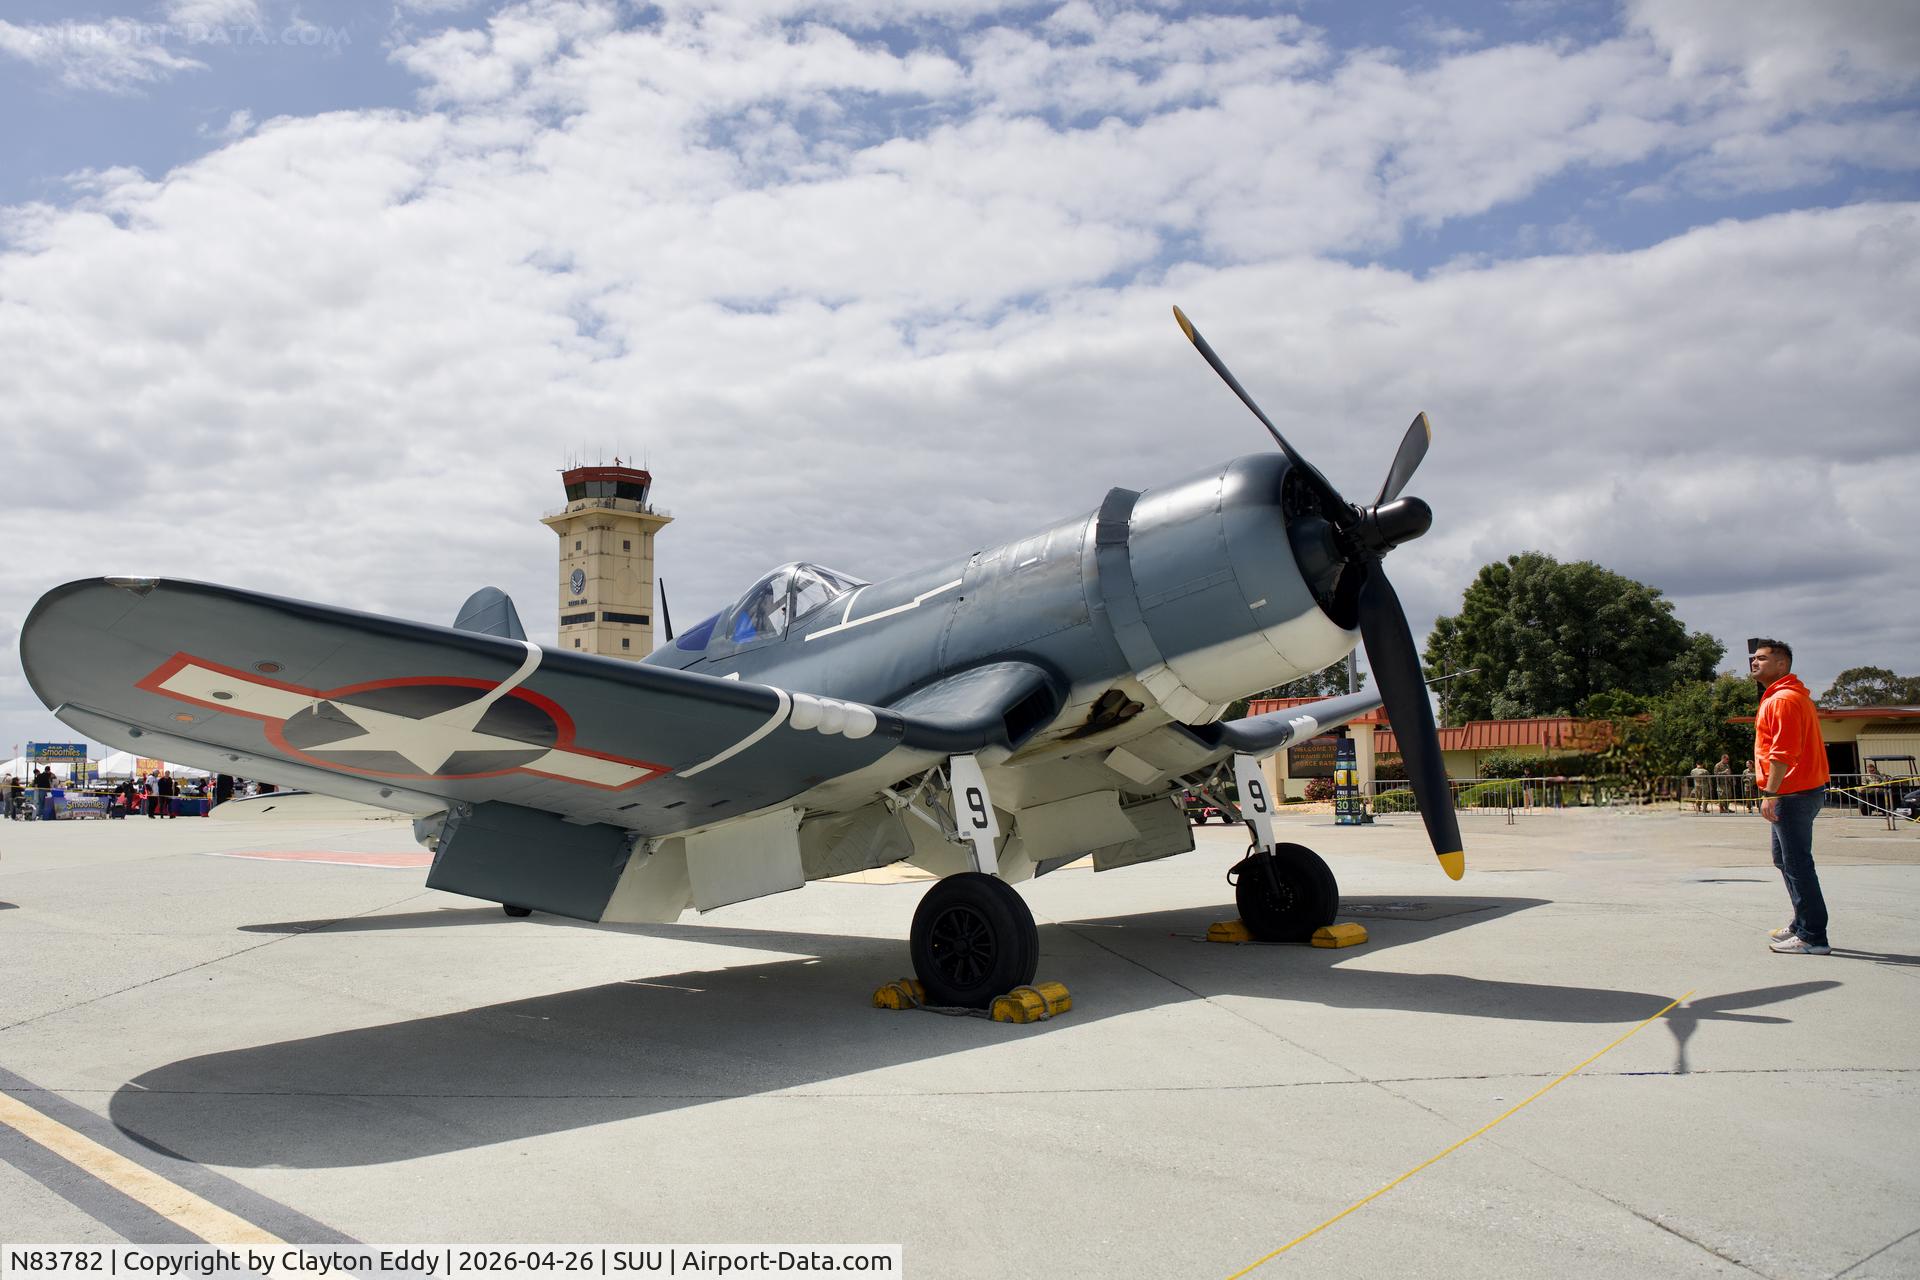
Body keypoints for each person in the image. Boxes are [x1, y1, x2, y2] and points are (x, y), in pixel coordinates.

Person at [1750, 638, 1831, 955]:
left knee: (1797, 863)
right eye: (1753, 658)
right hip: (1799, 791)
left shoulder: (1782, 700)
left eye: (1762, 658)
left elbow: (1782, 753)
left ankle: (1813, 936)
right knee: (1784, 859)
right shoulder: (1790, 697)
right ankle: (1802, 923)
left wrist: (1771, 792)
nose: (1755, 662)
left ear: (1782, 664)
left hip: (1792, 792)